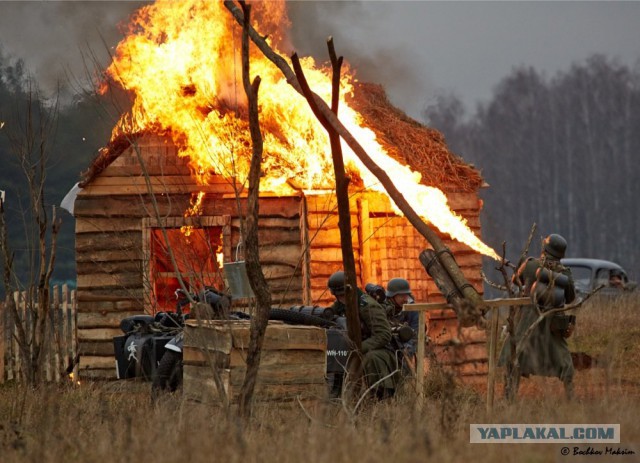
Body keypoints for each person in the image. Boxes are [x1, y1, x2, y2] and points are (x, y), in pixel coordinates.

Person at [499, 233, 577, 400]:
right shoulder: (565, 273)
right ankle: (571, 397)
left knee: (514, 357)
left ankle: (508, 397)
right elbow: (570, 298)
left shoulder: (530, 264)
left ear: (545, 249)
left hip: (526, 320)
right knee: (564, 360)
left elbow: (515, 280)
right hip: (552, 323)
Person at [328, 271, 399, 399]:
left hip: (380, 349)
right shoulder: (341, 303)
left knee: (370, 358)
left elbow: (384, 335)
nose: (340, 299)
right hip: (354, 345)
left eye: (343, 295)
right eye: (338, 296)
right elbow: (329, 315)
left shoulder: (368, 306)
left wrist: (358, 348)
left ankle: (381, 397)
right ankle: (335, 395)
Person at [382, 278, 420, 371]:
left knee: (405, 375)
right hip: (388, 348)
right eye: (401, 296)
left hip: (405, 349)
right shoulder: (383, 308)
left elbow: (416, 333)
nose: (405, 299)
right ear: (392, 296)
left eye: (406, 295)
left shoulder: (412, 310)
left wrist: (408, 349)